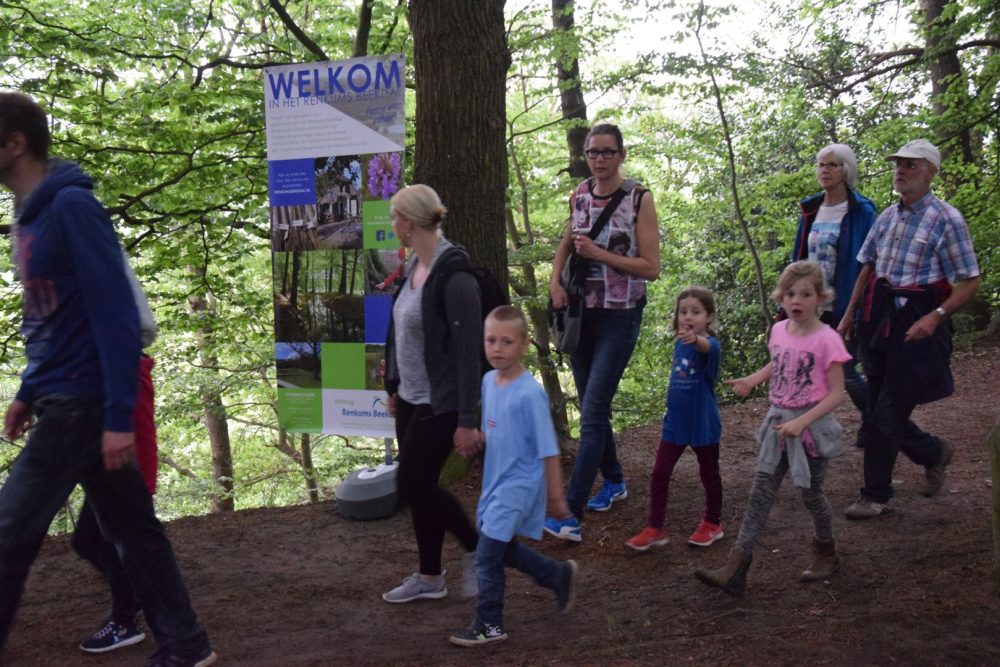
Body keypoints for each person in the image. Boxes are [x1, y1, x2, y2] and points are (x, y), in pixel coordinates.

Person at [0, 92, 216, 667]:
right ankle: (187, 644)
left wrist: (120, 415)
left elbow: (116, 312)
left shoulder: (71, 207)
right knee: (134, 532)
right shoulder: (31, 214)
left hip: (83, 399)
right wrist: (28, 389)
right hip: (62, 394)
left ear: (14, 144)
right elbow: (50, 317)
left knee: (7, 535)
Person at [840, 139, 981, 520]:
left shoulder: (947, 219)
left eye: (910, 165)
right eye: (898, 164)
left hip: (919, 322)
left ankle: (875, 495)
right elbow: (868, 267)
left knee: (888, 410)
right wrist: (849, 315)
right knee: (876, 405)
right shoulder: (888, 217)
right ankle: (933, 452)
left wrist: (935, 316)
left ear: (930, 172)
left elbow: (970, 280)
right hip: (879, 318)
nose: (900, 170)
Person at [695, 261, 850, 596]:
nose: (796, 301)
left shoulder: (828, 340)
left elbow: (837, 393)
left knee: (811, 494)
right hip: (778, 425)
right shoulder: (779, 330)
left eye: (805, 294)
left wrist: (802, 421)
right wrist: (752, 380)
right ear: (781, 297)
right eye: (790, 294)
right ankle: (735, 568)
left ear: (820, 298)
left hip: (811, 430)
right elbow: (778, 361)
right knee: (759, 494)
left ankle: (826, 552)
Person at [545, 123, 660, 542]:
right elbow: (565, 243)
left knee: (592, 412)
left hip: (620, 316)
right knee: (593, 406)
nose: (599, 158)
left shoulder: (638, 199)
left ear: (621, 155)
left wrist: (601, 254)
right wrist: (555, 283)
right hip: (581, 315)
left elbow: (651, 268)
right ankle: (614, 480)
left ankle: (570, 513)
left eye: (607, 151)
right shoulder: (579, 194)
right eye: (593, 152)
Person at [449, 306, 578, 647]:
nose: (497, 348)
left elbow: (548, 450)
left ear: (524, 344)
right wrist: (479, 438)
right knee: (502, 549)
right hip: (495, 483)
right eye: (490, 340)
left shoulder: (530, 394)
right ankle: (557, 575)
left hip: (519, 486)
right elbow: (499, 428)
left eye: (506, 341)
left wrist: (556, 498)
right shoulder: (488, 382)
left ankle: (489, 623)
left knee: (487, 555)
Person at [382, 184, 480, 603]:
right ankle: (429, 576)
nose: (392, 224)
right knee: (420, 488)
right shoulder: (413, 267)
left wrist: (467, 418)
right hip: (410, 398)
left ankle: (476, 548)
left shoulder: (454, 275)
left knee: (411, 483)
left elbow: (469, 352)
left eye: (394, 216)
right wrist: (393, 386)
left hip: (441, 402)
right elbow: (398, 331)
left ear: (408, 221)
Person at [626, 287, 724, 552]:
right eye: (683, 312)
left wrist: (696, 339)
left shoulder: (710, 345)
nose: (688, 316)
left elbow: (706, 347)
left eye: (696, 312)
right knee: (660, 472)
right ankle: (655, 528)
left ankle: (712, 523)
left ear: (709, 316)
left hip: (703, 422)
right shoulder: (679, 344)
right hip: (676, 423)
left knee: (709, 473)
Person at [791, 143, 876, 446]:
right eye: (820, 165)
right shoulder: (812, 209)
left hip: (845, 305)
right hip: (814, 306)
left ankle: (880, 423)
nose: (824, 170)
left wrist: (853, 309)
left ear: (845, 170)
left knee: (846, 370)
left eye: (831, 165)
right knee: (815, 369)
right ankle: (813, 435)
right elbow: (799, 257)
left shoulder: (861, 211)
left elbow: (869, 263)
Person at [73, 354, 158, 653]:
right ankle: (135, 596)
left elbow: (142, 431)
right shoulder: (105, 368)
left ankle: (124, 623)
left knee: (113, 549)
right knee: (85, 542)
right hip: (108, 474)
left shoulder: (128, 371)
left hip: (128, 477)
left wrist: (142, 483)